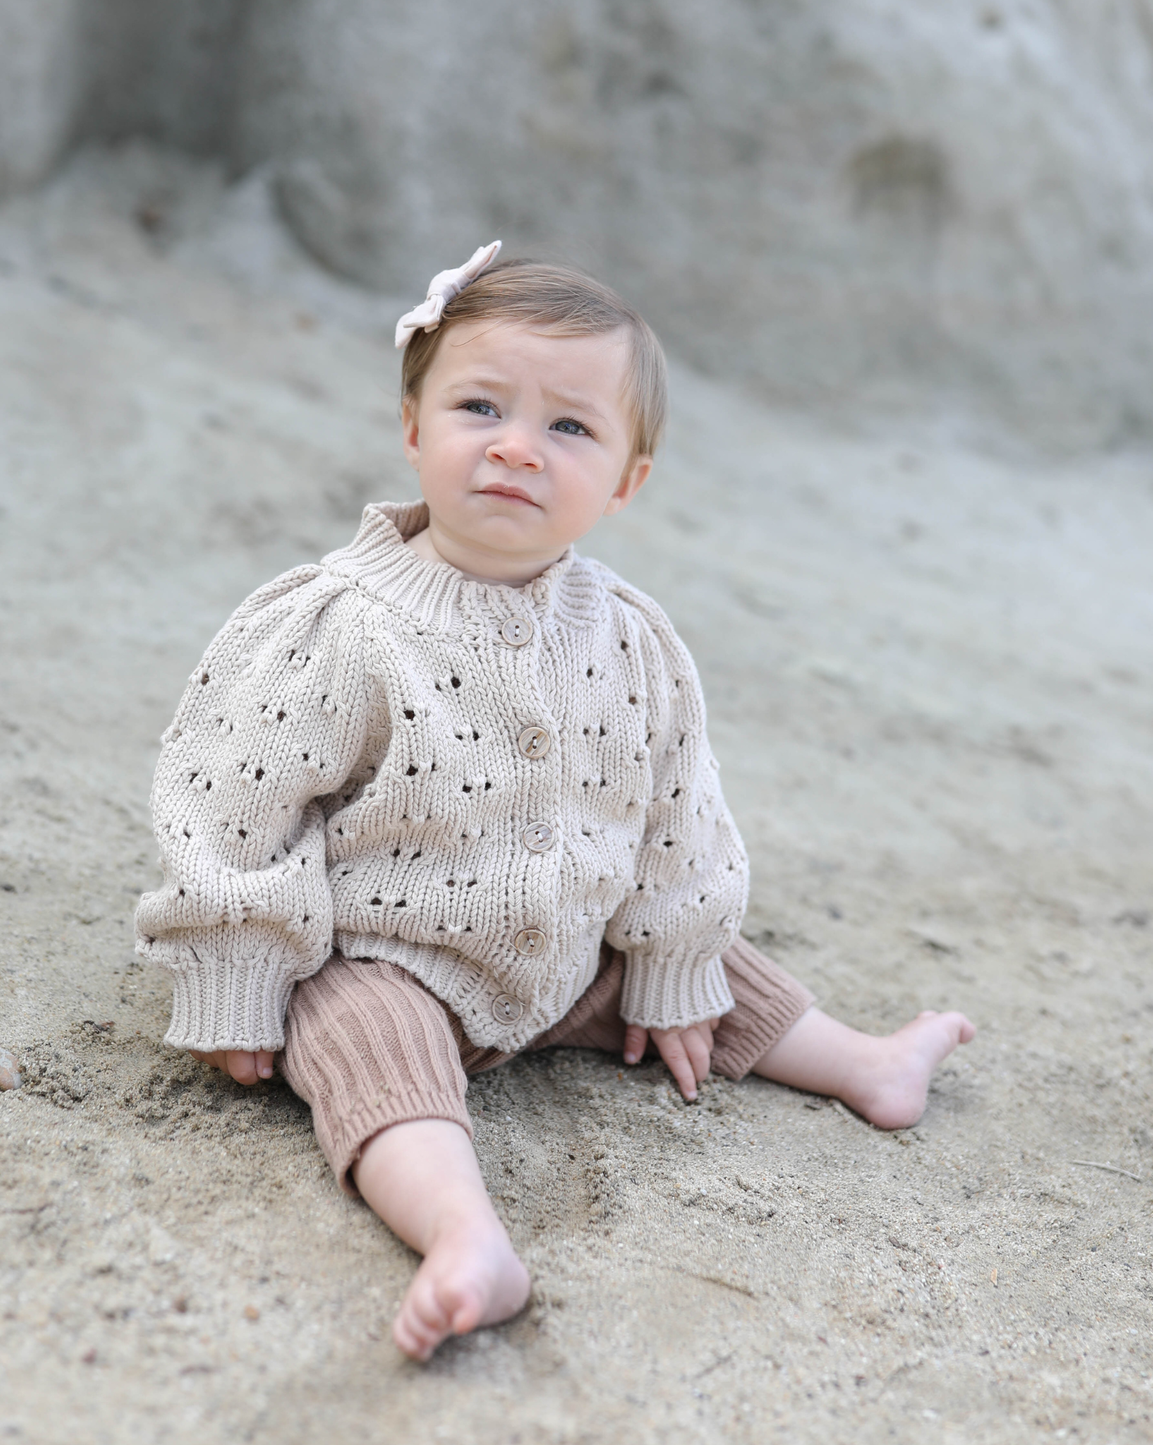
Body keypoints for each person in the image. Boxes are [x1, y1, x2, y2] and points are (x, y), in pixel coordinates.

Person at [135, 242, 975, 1362]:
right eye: (479, 405)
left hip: (567, 952)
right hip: (390, 951)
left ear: (625, 479)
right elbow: (235, 804)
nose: (516, 446)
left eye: (569, 428)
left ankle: (861, 1061)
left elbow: (678, 813)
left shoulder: (633, 638)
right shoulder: (340, 624)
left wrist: (673, 963)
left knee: (706, 960)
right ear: (412, 427)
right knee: (367, 1047)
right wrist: (236, 970)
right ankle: (463, 1232)